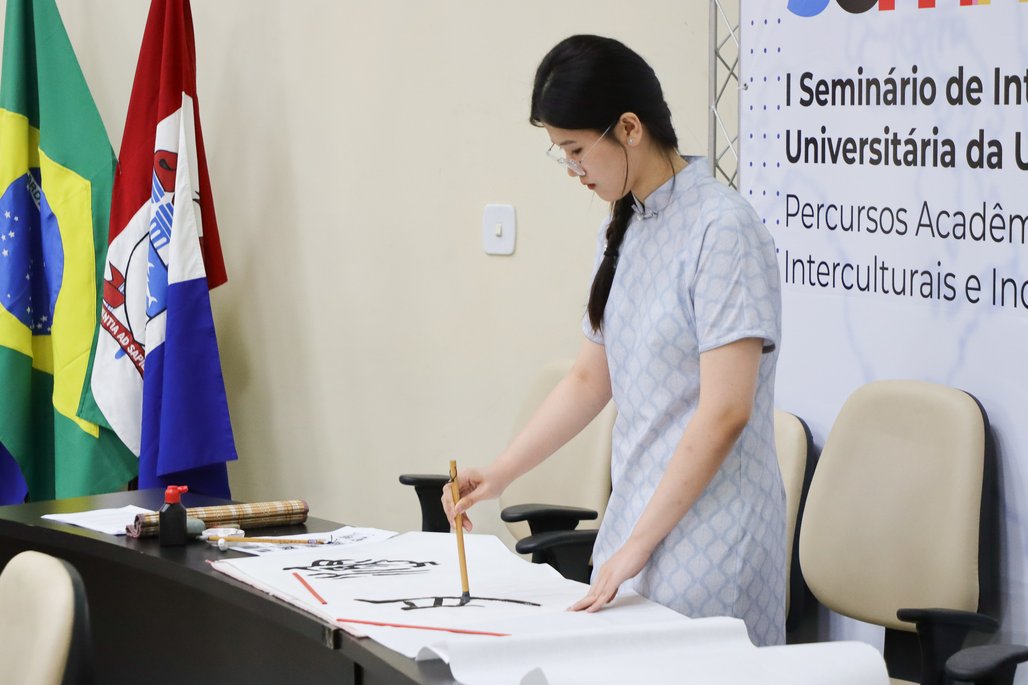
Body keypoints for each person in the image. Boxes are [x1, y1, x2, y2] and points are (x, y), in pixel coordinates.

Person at [443, 34, 785, 647]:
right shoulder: (625, 225)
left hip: (712, 535)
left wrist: (636, 546)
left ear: (629, 127)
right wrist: (499, 474)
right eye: (561, 154)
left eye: (576, 150)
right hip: (638, 523)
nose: (573, 170)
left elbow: (726, 412)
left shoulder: (723, 227)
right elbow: (588, 380)